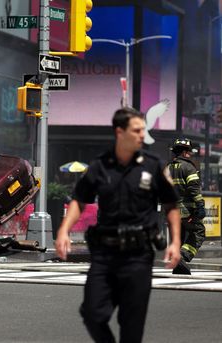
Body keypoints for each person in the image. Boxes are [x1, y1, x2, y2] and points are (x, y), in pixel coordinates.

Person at [55, 107, 181, 343]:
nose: (142, 135)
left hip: (138, 256)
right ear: (119, 132)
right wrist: (64, 230)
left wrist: (175, 242)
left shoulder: (153, 165)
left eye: (143, 129)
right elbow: (80, 200)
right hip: (105, 255)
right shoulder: (100, 166)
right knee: (92, 313)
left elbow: (171, 205)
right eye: (137, 130)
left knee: (131, 327)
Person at [167, 138, 206, 275]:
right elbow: (194, 189)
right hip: (186, 211)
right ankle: (182, 257)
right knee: (198, 232)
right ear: (184, 152)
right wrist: (200, 205)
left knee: (179, 236)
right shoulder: (188, 167)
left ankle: (179, 266)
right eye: (189, 152)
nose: (190, 154)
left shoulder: (167, 168)